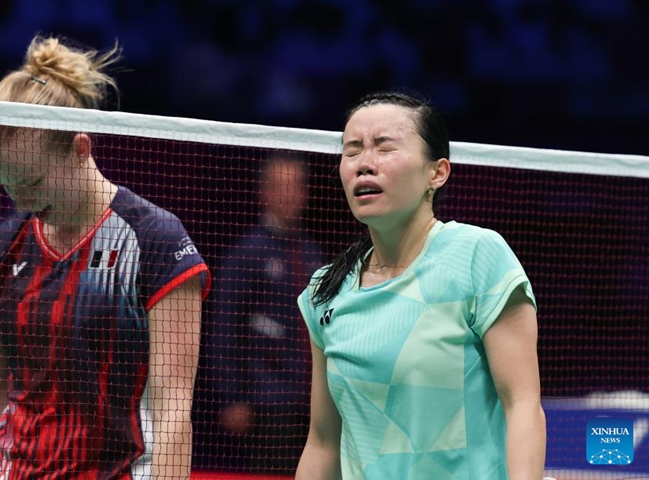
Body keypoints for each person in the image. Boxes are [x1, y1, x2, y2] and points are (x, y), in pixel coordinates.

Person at [0, 35, 211, 479]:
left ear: (80, 149)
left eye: (30, 183)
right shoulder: (2, 247)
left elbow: (171, 416)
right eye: (4, 185)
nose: (20, 202)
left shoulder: (154, 240)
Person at [295, 91, 546, 479]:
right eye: (352, 151)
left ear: (437, 172)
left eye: (384, 148)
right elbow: (324, 440)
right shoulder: (326, 288)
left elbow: (523, 405)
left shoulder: (478, 256)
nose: (365, 165)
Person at [207, 152, 326, 473]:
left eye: (296, 187)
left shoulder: (312, 252)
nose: (289, 196)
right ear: (264, 192)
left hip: (313, 402)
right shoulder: (247, 253)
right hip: (267, 402)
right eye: (280, 187)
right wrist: (232, 398)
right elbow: (225, 328)